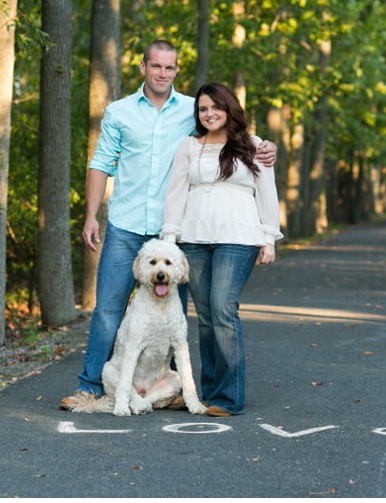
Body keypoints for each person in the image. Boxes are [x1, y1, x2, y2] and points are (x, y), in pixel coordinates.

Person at [60, 41, 276, 409]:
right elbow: (100, 163)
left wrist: (264, 146)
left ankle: (174, 389)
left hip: (174, 234)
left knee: (179, 314)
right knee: (109, 310)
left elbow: (231, 138)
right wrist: (91, 214)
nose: (163, 73)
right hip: (129, 226)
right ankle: (91, 386)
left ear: (177, 70)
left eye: (170, 68)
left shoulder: (192, 110)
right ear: (143, 67)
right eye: (156, 66)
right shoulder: (120, 112)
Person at [160, 82, 283, 417]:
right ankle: (210, 393)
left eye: (216, 107)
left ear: (229, 109)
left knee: (223, 309)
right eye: (203, 108)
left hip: (239, 237)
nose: (209, 113)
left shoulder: (254, 146)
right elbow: (175, 192)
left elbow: (266, 192)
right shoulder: (188, 146)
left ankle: (229, 397)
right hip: (194, 239)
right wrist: (170, 239)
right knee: (205, 316)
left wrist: (268, 237)